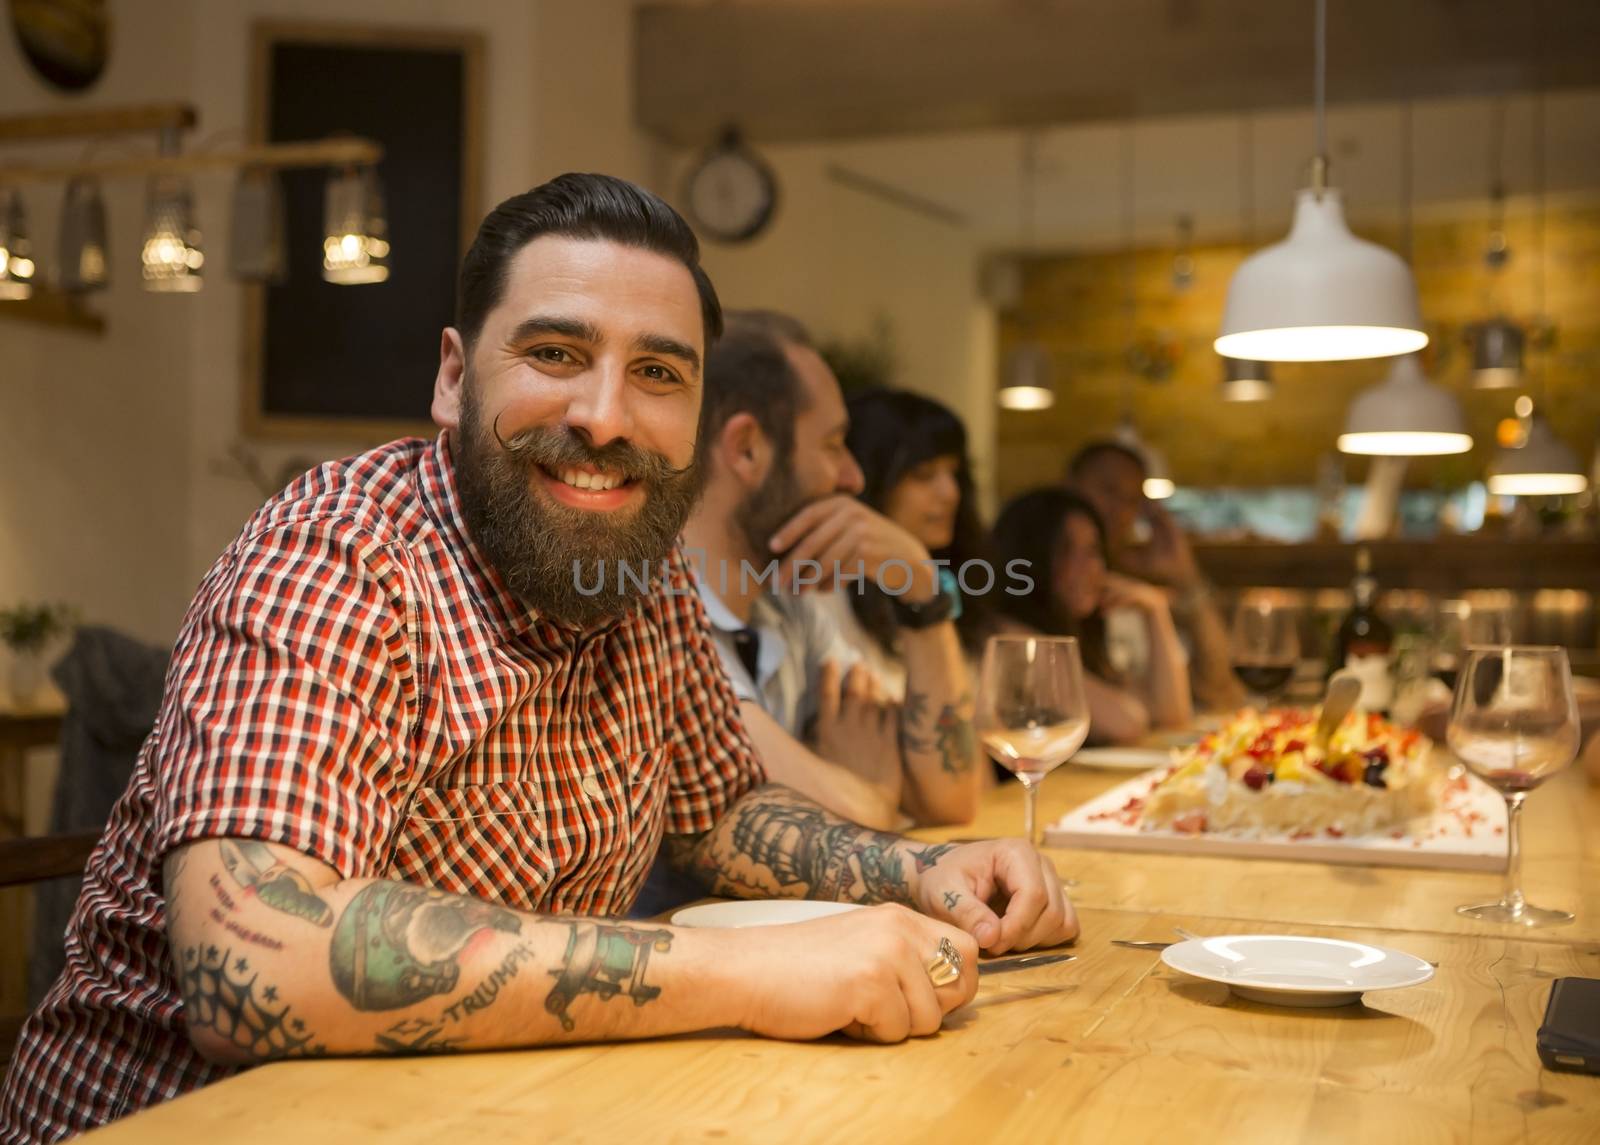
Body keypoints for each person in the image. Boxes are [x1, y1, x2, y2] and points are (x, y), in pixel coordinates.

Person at [0, 175, 1075, 1144]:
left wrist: (923, 871)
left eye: (656, 373)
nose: (604, 417)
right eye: (555, 354)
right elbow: (254, 970)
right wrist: (750, 970)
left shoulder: (634, 571)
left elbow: (716, 811)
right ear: (454, 376)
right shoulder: (336, 554)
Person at [680, 316, 982, 833]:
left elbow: (948, 798)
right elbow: (855, 817)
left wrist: (924, 594)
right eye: (834, 445)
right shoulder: (660, 614)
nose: (853, 477)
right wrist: (876, 793)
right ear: (747, 448)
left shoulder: (793, 602)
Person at [818, 387, 994, 701]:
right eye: (923, 474)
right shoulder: (824, 593)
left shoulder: (957, 585)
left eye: (955, 473)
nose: (950, 492)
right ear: (867, 479)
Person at [989, 487, 1193, 744]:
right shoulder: (1010, 635)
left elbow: (1172, 716)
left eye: (1093, 550)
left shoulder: (1082, 635)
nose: (1090, 568)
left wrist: (1156, 610)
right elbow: (1125, 723)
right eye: (1065, 551)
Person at [1066, 441, 1244, 711]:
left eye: (1131, 500)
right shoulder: (1044, 582)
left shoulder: (1145, 584)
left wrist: (1187, 577)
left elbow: (1222, 689)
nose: (1119, 509)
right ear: (1069, 487)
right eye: (1108, 490)